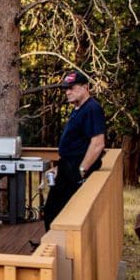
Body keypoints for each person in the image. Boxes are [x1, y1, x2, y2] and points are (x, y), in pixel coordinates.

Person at [44, 69, 106, 230]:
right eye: (66, 88)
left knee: (63, 213)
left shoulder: (92, 108)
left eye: (72, 87)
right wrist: (59, 167)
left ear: (85, 87)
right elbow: (74, 144)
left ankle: (58, 251)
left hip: (76, 171)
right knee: (52, 211)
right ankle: (51, 248)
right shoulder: (78, 108)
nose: (67, 92)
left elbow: (98, 143)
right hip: (67, 167)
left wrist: (81, 169)